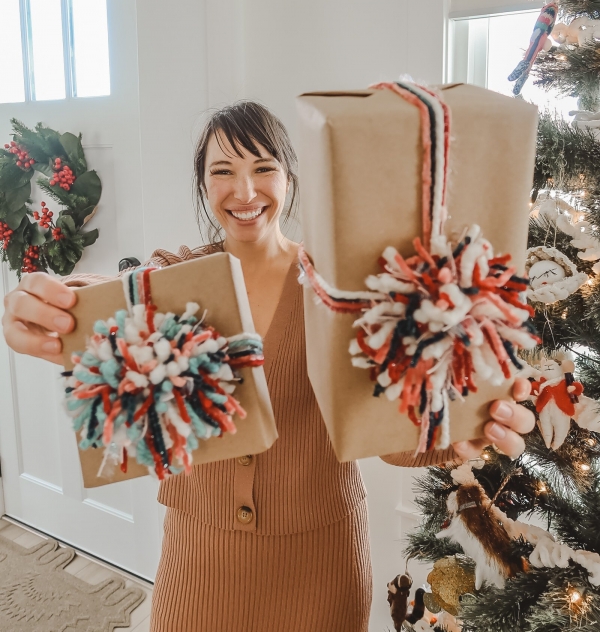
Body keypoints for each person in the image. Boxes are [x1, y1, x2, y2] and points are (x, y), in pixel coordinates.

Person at [2, 102, 535, 632]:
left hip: (321, 562)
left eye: (263, 168)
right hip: (201, 560)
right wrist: (49, 308)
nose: (246, 191)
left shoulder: (336, 288)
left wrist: (461, 434)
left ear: (289, 178)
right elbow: (104, 309)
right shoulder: (173, 282)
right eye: (223, 171)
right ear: (203, 185)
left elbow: (388, 430)